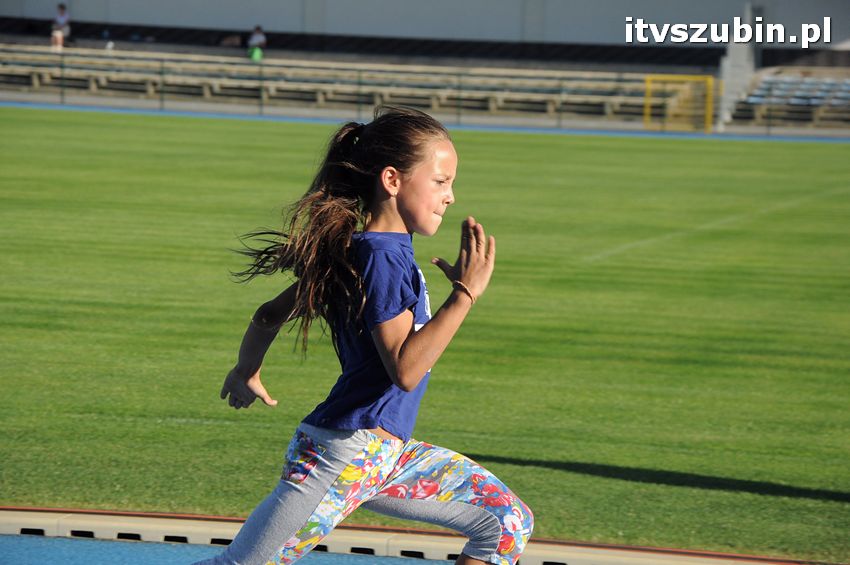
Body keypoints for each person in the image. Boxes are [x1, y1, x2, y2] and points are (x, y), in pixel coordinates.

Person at [192, 106, 533, 565]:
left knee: (505, 520)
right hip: (342, 455)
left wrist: (245, 369)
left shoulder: (368, 251)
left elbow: (268, 315)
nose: (450, 196)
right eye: (440, 181)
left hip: (384, 457)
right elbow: (405, 369)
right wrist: (465, 295)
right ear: (392, 180)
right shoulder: (382, 258)